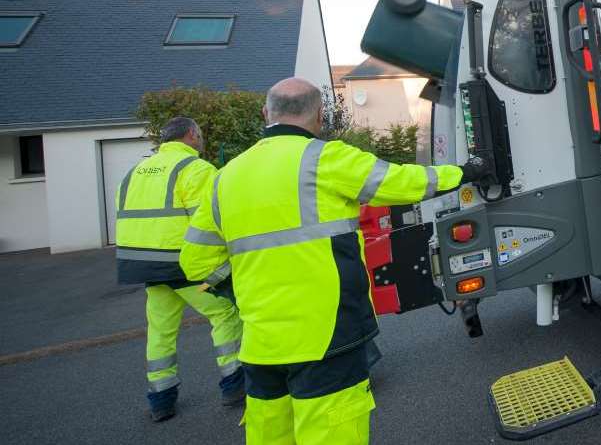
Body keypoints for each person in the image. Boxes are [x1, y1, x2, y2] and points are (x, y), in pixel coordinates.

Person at [180, 77, 488, 444]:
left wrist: (233, 289)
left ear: (265, 114)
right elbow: (404, 182)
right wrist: (465, 172)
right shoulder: (326, 158)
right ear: (320, 118)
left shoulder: (224, 178)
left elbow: (194, 259)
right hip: (328, 335)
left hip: (261, 344)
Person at [115, 116, 244, 422]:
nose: (201, 140)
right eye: (199, 135)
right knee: (223, 312)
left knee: (160, 329)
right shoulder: (195, 169)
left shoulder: (134, 172)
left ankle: (161, 399)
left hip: (144, 268)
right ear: (190, 135)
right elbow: (211, 223)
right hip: (185, 269)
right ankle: (235, 385)